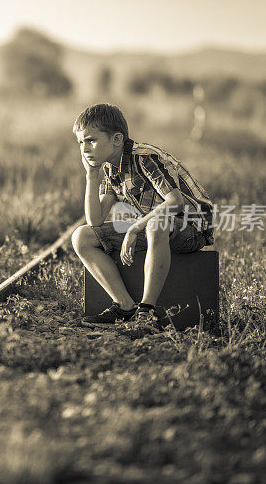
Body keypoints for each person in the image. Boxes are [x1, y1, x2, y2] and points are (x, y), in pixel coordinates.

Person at [70, 103, 215, 330]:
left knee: (155, 224)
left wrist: (134, 228)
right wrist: (91, 176)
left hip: (192, 227)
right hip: (157, 229)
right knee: (82, 237)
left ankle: (146, 312)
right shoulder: (110, 168)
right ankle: (125, 306)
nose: (84, 148)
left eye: (91, 140)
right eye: (81, 142)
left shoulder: (144, 157)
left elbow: (174, 202)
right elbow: (95, 221)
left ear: (117, 139)